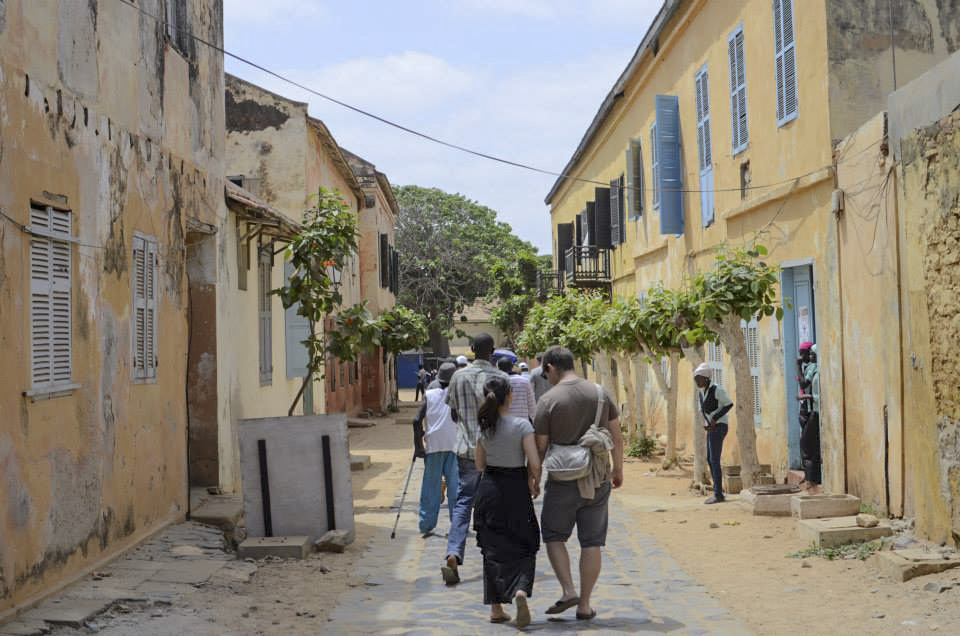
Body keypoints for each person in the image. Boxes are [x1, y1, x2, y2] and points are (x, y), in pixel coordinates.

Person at [534, 346, 624, 621]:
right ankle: (584, 604)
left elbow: (540, 447)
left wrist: (533, 478)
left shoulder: (548, 400)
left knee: (553, 535)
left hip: (562, 479)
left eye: (545, 373)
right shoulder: (600, 393)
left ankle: (568, 589)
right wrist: (618, 469)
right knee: (592, 541)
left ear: (550, 368)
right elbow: (617, 436)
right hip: (597, 477)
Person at [441, 333, 509, 585]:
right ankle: (495, 557)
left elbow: (453, 414)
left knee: (463, 502)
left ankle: (453, 551)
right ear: (493, 350)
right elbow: (506, 417)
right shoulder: (501, 378)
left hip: (467, 450)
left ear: (471, 349)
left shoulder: (458, 377)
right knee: (496, 504)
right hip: (495, 451)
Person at [473, 376, 542, 627]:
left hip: (490, 490)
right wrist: (535, 481)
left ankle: (496, 609)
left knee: (491, 548)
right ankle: (521, 589)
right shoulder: (522, 425)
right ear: (509, 397)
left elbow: (479, 464)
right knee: (526, 541)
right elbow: (534, 462)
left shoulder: (484, 428)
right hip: (516, 490)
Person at [413, 362, 460, 537]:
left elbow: (416, 420)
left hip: (434, 445)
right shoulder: (456, 394)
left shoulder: (430, 394)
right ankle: (457, 524)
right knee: (455, 487)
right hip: (454, 445)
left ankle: (426, 524)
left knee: (431, 487)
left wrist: (418, 445)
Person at [693, 363, 734, 504]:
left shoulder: (716, 389)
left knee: (714, 460)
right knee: (710, 459)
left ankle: (718, 494)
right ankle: (718, 491)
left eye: (699, 378)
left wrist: (715, 419)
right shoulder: (701, 392)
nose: (697, 381)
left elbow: (729, 404)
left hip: (720, 426)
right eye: (695, 378)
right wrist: (707, 424)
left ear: (706, 378)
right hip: (712, 428)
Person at [799, 345, 822, 491]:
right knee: (810, 445)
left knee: (806, 444)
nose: (810, 357)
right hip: (813, 410)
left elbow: (821, 394)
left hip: (816, 411)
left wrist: (809, 396)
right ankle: (811, 477)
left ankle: (812, 479)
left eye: (813, 354)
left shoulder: (817, 371)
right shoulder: (814, 369)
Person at [502, 358, 536, 422]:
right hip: (523, 422)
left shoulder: (500, 382)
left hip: (505, 423)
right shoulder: (525, 381)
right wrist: (534, 420)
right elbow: (531, 404)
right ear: (512, 367)